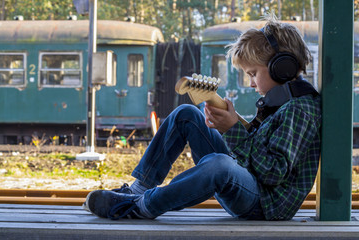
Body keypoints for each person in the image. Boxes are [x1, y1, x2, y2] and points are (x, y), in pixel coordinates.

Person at [84, 16, 321, 221]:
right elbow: (257, 154)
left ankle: (140, 207)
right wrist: (232, 125)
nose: (250, 83)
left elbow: (273, 172)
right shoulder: (281, 101)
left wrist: (232, 130)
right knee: (186, 114)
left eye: (253, 74)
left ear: (282, 68)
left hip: (265, 204)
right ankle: (138, 189)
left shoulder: (300, 109)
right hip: (250, 183)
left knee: (220, 164)